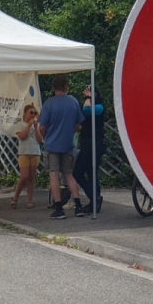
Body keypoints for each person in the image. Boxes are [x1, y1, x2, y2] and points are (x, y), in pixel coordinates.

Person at [37, 75, 84, 220]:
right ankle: (78, 205)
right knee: (69, 174)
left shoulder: (49, 104)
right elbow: (78, 125)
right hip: (67, 143)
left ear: (53, 87)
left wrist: (45, 137)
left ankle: (58, 208)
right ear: (66, 87)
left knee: (53, 174)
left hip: (52, 144)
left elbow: (42, 126)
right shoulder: (73, 102)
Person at [73, 85, 106, 216]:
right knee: (78, 172)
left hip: (94, 143)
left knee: (91, 172)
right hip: (87, 143)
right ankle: (95, 197)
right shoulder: (93, 106)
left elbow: (87, 109)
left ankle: (95, 199)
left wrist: (88, 97)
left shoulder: (99, 107)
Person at [10, 104, 43, 209]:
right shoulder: (20, 124)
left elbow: (40, 140)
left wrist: (36, 127)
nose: (33, 115)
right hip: (24, 152)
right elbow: (22, 137)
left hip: (35, 152)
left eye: (34, 113)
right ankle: (15, 197)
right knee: (24, 176)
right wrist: (29, 125)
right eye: (31, 113)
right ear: (25, 114)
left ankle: (29, 200)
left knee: (31, 178)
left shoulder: (37, 125)